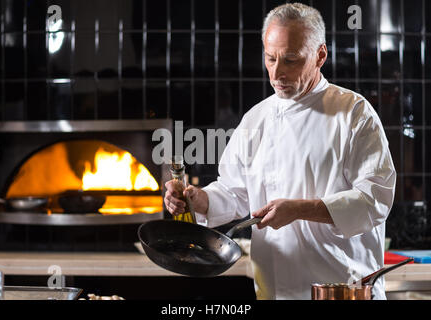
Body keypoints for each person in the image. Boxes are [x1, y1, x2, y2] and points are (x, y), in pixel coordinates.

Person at [164, 3, 395, 300]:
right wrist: (200, 200)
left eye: (290, 60)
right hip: (272, 292)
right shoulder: (256, 118)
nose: (277, 73)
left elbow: (375, 199)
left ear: (320, 55)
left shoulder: (353, 113)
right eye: (270, 58)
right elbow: (234, 193)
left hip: (342, 290)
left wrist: (299, 209)